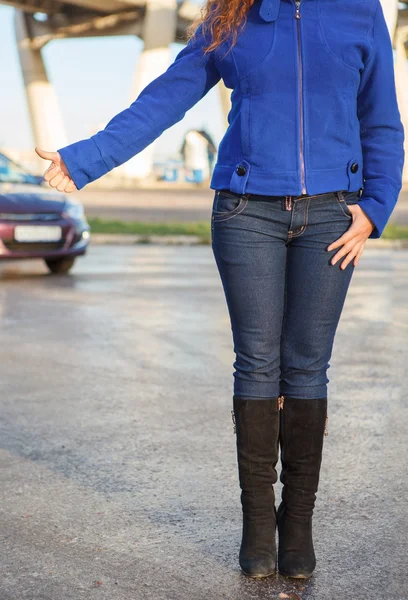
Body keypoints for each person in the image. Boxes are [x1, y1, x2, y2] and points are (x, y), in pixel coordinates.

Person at [35, 0, 405, 581]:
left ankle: (298, 524)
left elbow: (381, 119)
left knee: (307, 367)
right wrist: (87, 157)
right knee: (257, 365)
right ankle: (259, 524)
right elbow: (165, 97)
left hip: (335, 214)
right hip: (245, 213)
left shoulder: (361, 12)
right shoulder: (231, 15)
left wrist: (376, 207)